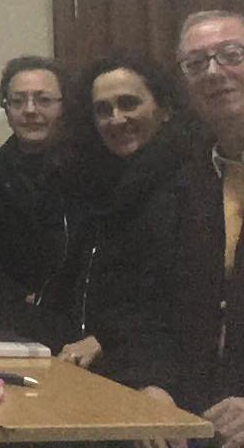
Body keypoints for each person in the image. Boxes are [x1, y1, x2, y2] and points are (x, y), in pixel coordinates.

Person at [170, 11, 244, 447]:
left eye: (231, 54)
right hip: (203, 410)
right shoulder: (183, 174)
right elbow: (158, 299)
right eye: (196, 64)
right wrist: (155, 381)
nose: (213, 72)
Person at [50, 53, 182, 395]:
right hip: (89, 362)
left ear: (164, 109)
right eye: (103, 110)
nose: (116, 119)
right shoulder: (96, 180)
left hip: (151, 373)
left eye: (128, 104)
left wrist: (104, 338)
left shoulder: (185, 183)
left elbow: (171, 295)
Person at [0, 56, 74, 340]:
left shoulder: (86, 168)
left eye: (44, 100)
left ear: (64, 106)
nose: (30, 110)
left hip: (72, 317)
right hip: (8, 314)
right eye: (18, 101)